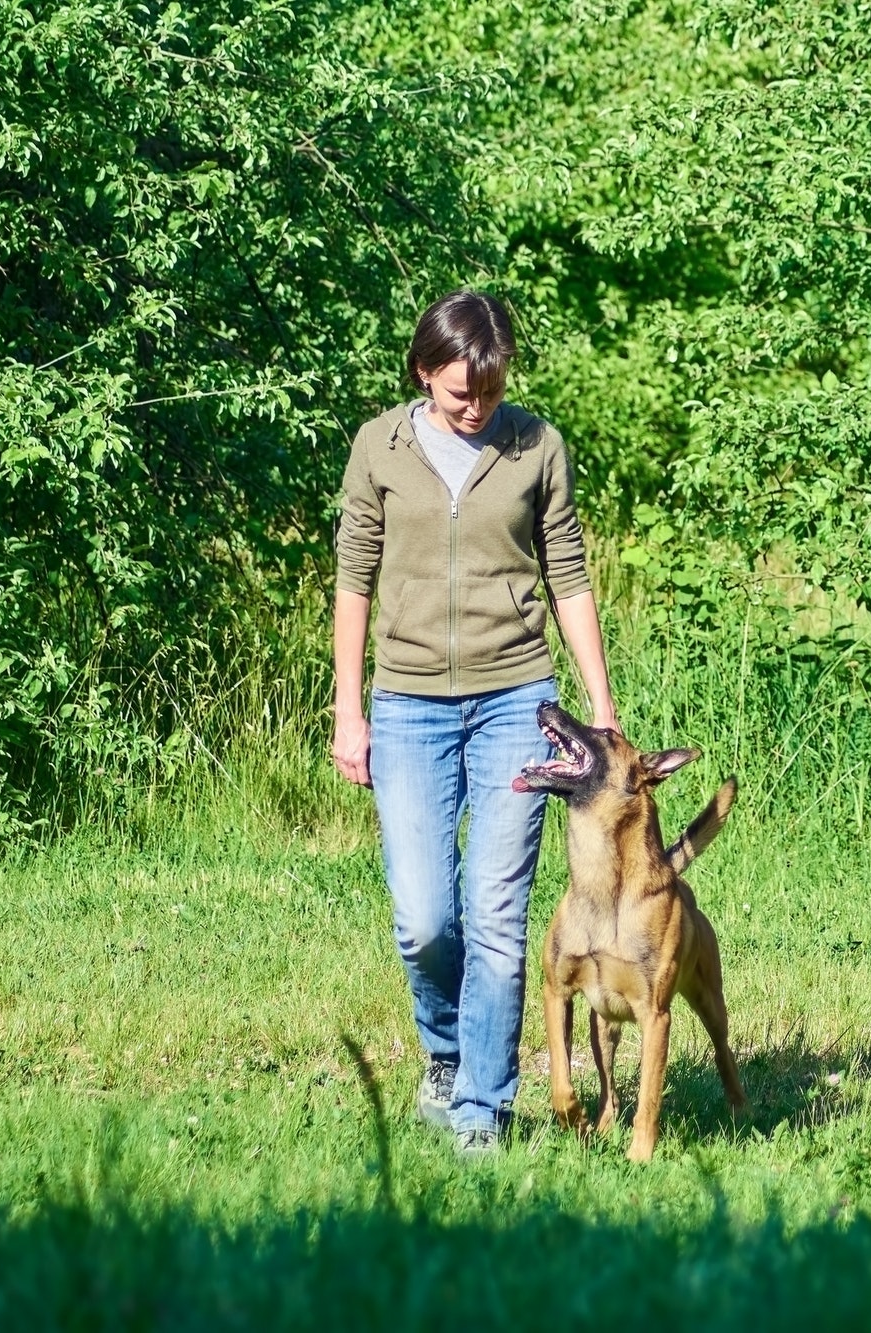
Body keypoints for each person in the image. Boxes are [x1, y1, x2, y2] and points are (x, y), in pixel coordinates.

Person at [331, 290, 618, 1155]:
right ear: (424, 371)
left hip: (513, 699)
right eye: (460, 393)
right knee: (424, 918)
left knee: (496, 911)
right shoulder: (377, 447)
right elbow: (353, 576)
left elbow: (566, 571)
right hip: (409, 702)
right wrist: (350, 707)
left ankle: (481, 1108)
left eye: (489, 392)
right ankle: (446, 1052)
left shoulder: (537, 445)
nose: (476, 407)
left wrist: (600, 704)